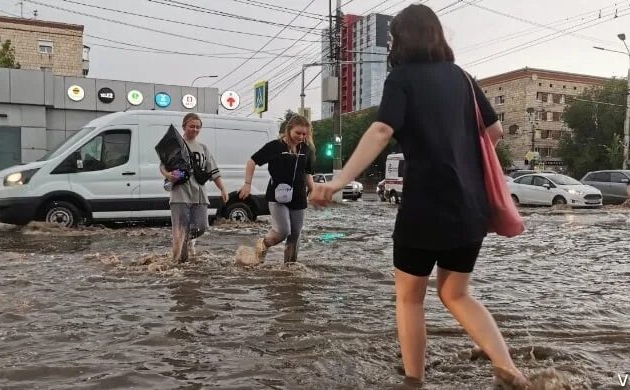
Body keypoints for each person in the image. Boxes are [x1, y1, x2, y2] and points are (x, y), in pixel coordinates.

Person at [310, 5, 531, 389]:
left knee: (410, 299)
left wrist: (341, 179)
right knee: (456, 294)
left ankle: (414, 381)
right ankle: (509, 370)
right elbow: (494, 132)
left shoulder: (402, 78)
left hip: (425, 206)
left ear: (402, 40)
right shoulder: (463, 78)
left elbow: (381, 131)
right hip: (470, 207)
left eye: (394, 37)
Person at [238, 114, 315, 263]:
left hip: (298, 196)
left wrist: (313, 189)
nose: (301, 136)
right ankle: (264, 243)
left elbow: (307, 172)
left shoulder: (306, 149)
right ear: (289, 130)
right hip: (277, 195)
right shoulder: (275, 146)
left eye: (304, 134)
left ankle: (290, 267)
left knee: (295, 233)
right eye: (297, 133)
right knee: (283, 231)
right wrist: (247, 184)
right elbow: (252, 161)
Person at [160, 113, 228, 263]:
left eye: (198, 127)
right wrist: (169, 175)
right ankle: (181, 266)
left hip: (199, 194)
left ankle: (183, 241)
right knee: (180, 229)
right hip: (180, 194)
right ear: (184, 126)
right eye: (192, 126)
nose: (195, 129)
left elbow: (213, 171)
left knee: (201, 226)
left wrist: (222, 189)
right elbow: (163, 166)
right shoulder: (175, 145)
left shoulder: (203, 148)